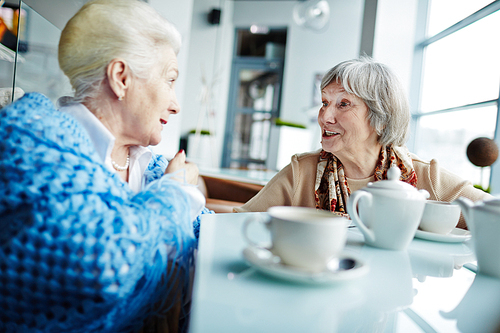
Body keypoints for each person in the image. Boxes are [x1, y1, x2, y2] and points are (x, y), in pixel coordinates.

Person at [0, 0, 210, 332]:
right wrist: (178, 191)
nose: (175, 104)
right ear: (121, 77)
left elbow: (209, 243)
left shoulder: (153, 167)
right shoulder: (36, 140)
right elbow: (105, 262)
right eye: (169, 80)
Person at [235, 57, 492, 229]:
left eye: (343, 104)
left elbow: (493, 217)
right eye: (324, 103)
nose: (325, 116)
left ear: (381, 118)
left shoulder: (426, 177)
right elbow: (238, 225)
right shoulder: (302, 172)